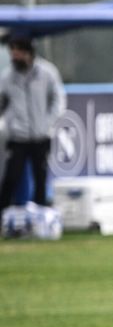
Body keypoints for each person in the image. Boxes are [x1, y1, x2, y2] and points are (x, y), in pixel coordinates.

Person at [0, 36, 66, 209]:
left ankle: (41, 218)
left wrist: (47, 123)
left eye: (18, 52)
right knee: (10, 178)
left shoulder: (47, 73)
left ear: (28, 53)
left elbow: (58, 100)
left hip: (40, 136)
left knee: (40, 179)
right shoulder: (7, 77)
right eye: (12, 53)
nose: (15, 57)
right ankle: (3, 218)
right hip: (17, 137)